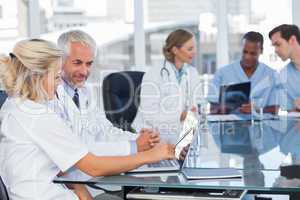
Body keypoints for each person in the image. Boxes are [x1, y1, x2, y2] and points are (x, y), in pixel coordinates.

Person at [0, 39, 175, 200]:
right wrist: (149, 156)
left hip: (49, 190)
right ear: (36, 77)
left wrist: (77, 186)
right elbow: (93, 166)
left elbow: (58, 162)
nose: (59, 83)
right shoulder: (37, 115)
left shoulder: (15, 106)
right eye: (55, 77)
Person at [56, 30, 159, 157]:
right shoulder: (52, 98)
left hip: (92, 171)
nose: (84, 71)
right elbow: (76, 150)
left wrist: (144, 140)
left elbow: (105, 132)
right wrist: (134, 146)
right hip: (71, 173)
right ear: (60, 61)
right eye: (77, 63)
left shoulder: (84, 93)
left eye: (88, 64)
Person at [132, 29, 201, 139]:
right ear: (175, 50)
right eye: (190, 49)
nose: (194, 52)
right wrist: (179, 116)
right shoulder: (154, 74)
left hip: (179, 134)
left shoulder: (192, 73)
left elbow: (195, 108)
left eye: (194, 48)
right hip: (150, 135)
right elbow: (149, 115)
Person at [208, 31, 279, 115]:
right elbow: (212, 108)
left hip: (261, 127)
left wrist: (255, 110)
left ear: (261, 51)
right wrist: (227, 107)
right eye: (244, 52)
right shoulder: (222, 73)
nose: (247, 57)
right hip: (230, 127)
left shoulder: (272, 75)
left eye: (253, 53)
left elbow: (275, 110)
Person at [269, 24, 300, 112]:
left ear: (292, 40)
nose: (275, 50)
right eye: (274, 46)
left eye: (278, 44)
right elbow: (291, 111)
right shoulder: (284, 75)